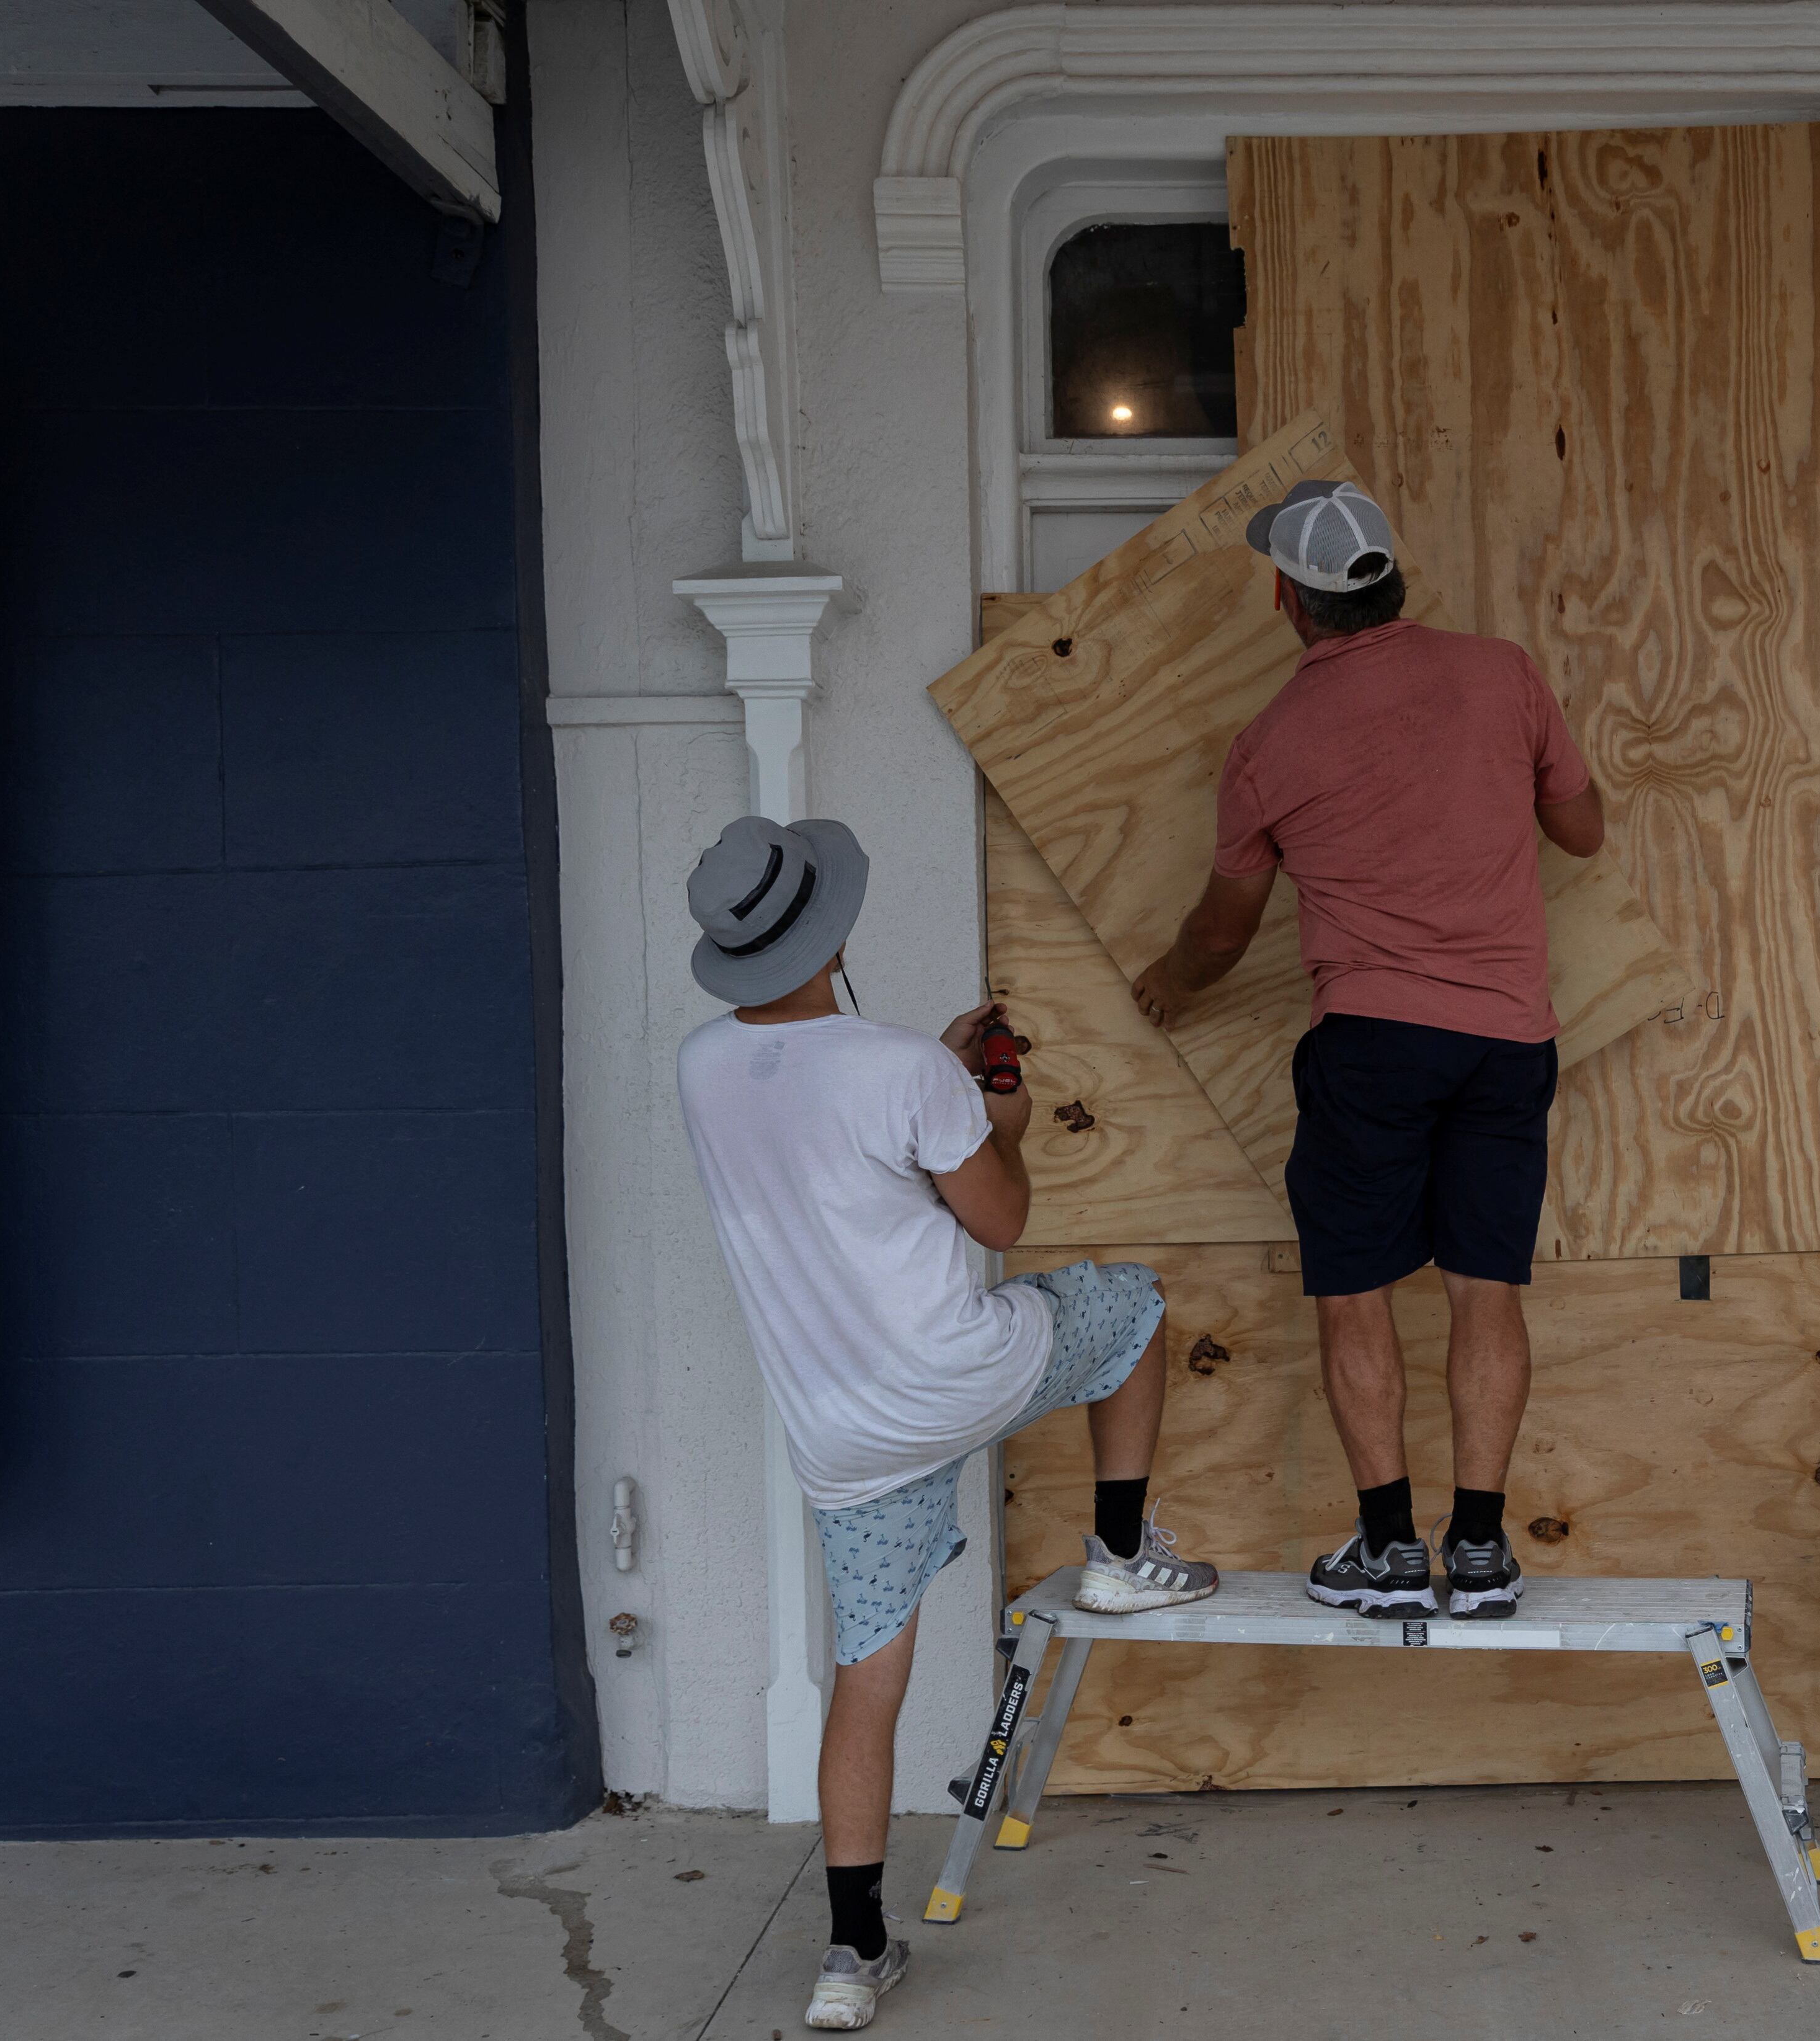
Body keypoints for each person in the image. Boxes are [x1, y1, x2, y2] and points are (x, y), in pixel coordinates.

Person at [675, 813, 1217, 2033]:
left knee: (866, 1680)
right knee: (1131, 1305)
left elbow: (823, 1114)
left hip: (843, 1435)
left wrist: (936, 1074)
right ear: (834, 931)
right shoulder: (905, 1076)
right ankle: (1126, 1557)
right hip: (960, 1374)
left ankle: (849, 1954)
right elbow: (1002, 1219)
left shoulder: (702, 1065)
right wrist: (994, 1111)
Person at [1130, 479, 1606, 1622]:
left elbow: (1223, 930)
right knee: (1485, 1291)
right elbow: (1581, 831)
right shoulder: (1503, 674)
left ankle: (1389, 1552)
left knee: (1354, 1297)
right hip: (1506, 1040)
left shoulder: (1266, 746)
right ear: (1392, 578)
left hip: (1371, 1046)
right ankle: (1482, 1553)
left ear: (1288, 601)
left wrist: (1168, 985)